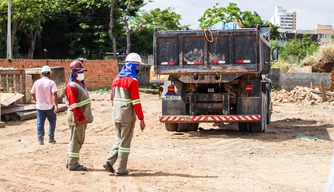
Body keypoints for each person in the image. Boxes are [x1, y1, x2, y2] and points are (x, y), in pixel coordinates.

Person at [103, 53, 146, 176]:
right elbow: (136, 102)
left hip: (116, 114)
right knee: (125, 143)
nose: (138, 68)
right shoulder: (132, 81)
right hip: (127, 116)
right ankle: (121, 169)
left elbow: (112, 98)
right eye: (137, 66)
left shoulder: (116, 79)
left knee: (119, 139)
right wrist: (141, 119)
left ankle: (109, 162)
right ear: (133, 66)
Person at [65, 60, 93, 171]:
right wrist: (80, 118)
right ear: (74, 73)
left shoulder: (80, 84)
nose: (82, 74)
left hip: (81, 118)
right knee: (76, 141)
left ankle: (70, 161)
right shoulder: (72, 86)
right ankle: (73, 164)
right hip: (77, 119)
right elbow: (73, 105)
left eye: (82, 71)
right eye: (79, 72)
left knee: (76, 140)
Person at [31, 65, 58, 145]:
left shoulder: (37, 82)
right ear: (49, 73)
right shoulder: (51, 83)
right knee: (52, 121)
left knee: (40, 123)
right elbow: (54, 94)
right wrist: (56, 105)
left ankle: (40, 139)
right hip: (49, 106)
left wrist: (36, 100)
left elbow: (32, 93)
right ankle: (51, 138)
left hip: (40, 107)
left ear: (41, 74)